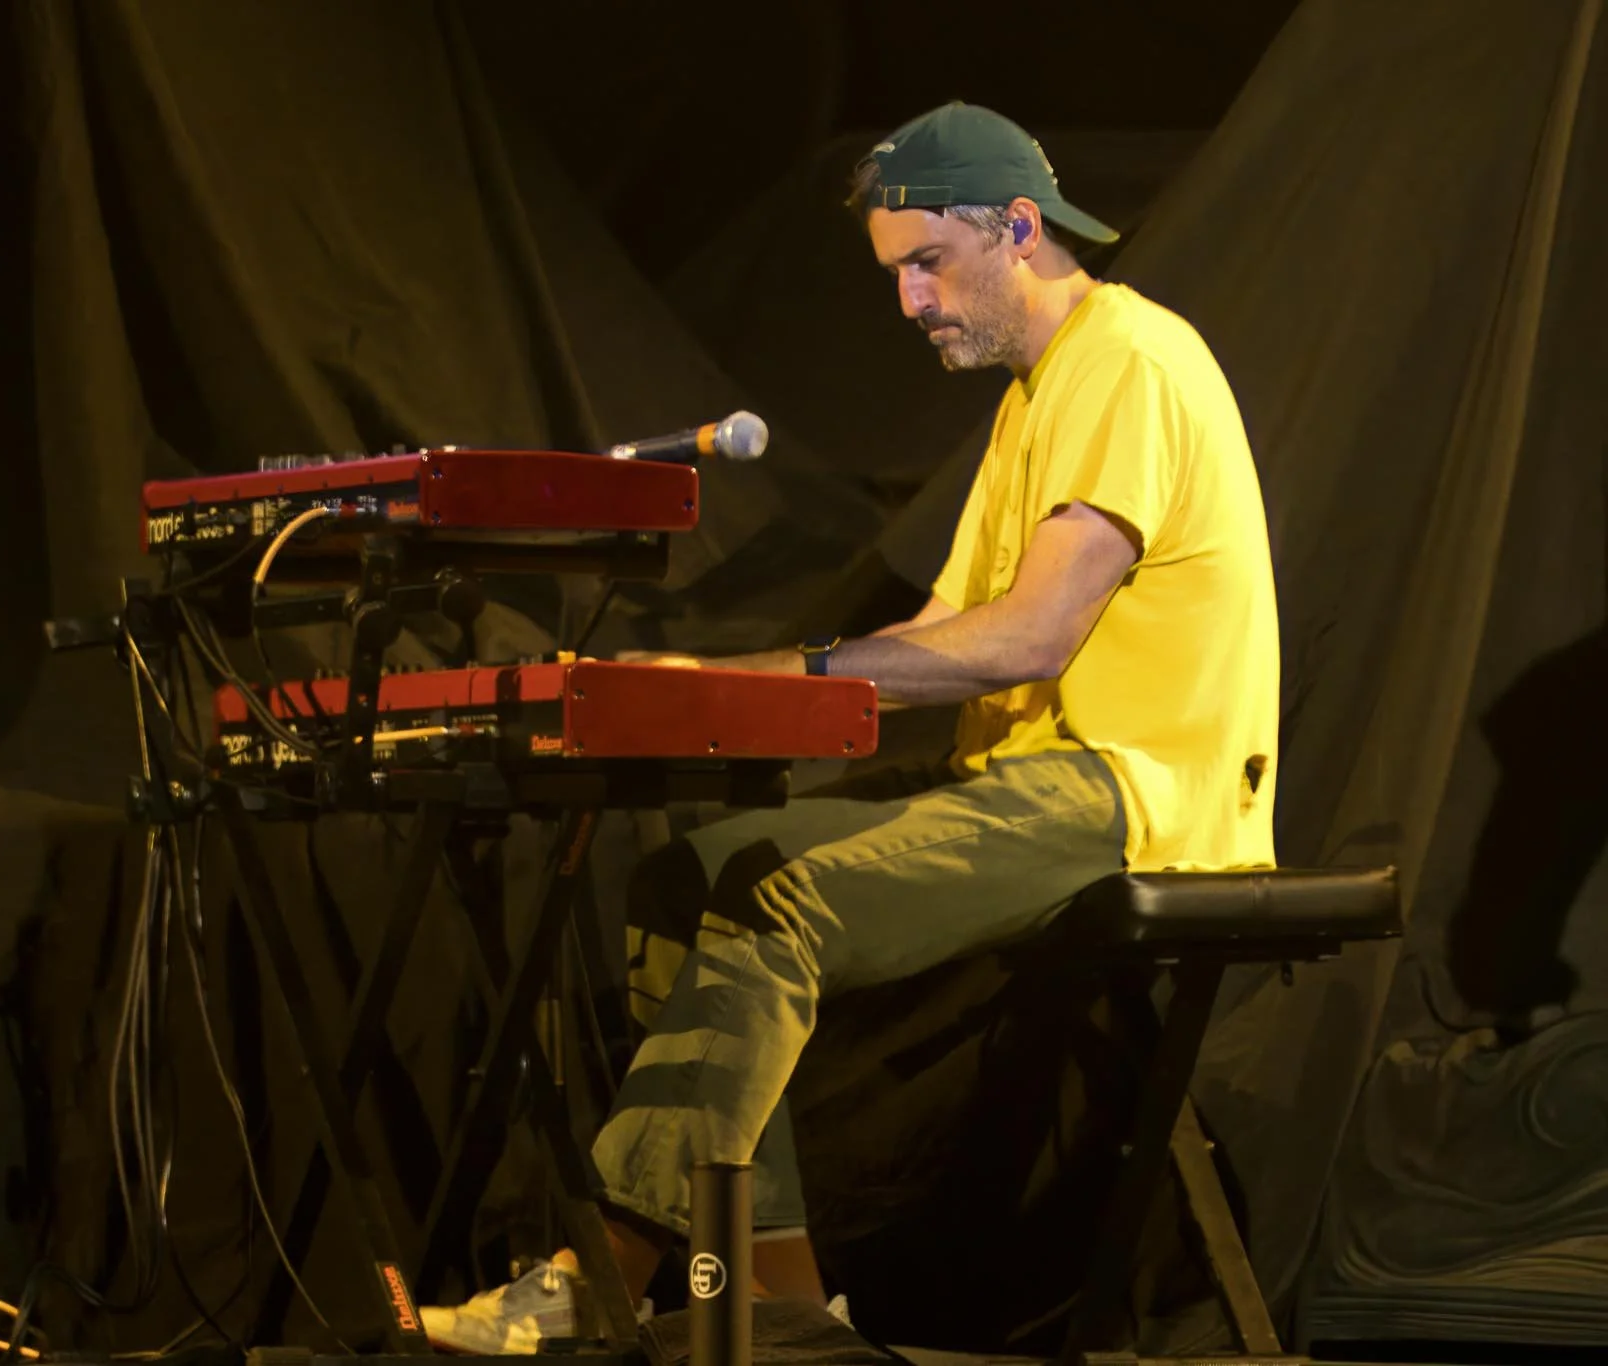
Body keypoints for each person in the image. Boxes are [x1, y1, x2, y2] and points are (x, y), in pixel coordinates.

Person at [420, 100, 1280, 1353]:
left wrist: (779, 671)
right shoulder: (1035, 397)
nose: (909, 302)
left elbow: (1027, 638)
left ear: (1018, 228)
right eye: (894, 274)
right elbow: (938, 630)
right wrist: (712, 685)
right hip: (1029, 782)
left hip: (1129, 790)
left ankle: (594, 1276)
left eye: (926, 263)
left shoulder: (1128, 362)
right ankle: (784, 1310)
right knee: (683, 880)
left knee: (777, 898)